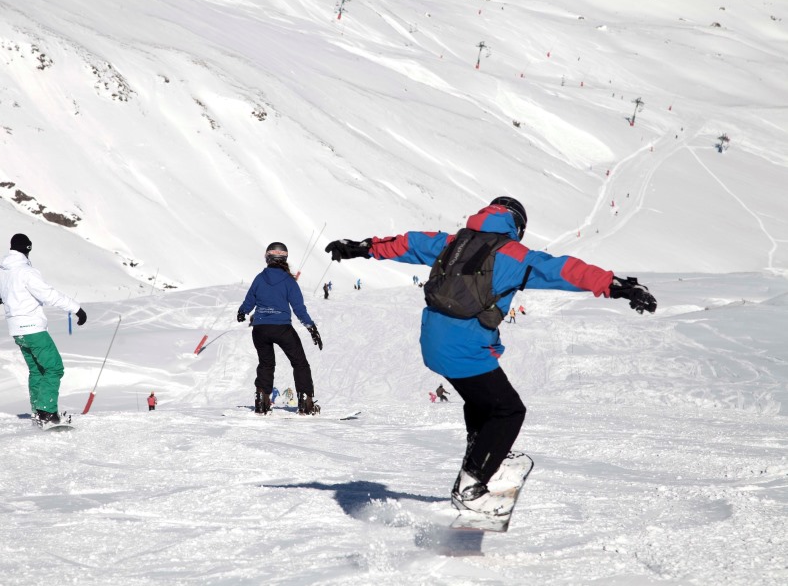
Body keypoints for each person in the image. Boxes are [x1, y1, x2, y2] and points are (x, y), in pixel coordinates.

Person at [325, 196, 656, 515]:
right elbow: (566, 270)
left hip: (433, 339)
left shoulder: (453, 243)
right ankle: (471, 485)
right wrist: (619, 287)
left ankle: (484, 455)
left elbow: (407, 243)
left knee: (481, 401)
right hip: (465, 345)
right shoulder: (513, 255)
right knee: (508, 411)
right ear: (518, 226)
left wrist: (359, 248)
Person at [0, 234, 87, 426]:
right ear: (28, 249)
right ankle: (47, 413)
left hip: (17, 330)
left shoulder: (2, 271)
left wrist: (2, 297)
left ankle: (37, 412)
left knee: (37, 370)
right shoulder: (26, 272)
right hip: (33, 328)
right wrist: (76, 309)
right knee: (54, 367)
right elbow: (48, 295)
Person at [238, 242, 324, 415]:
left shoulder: (260, 278)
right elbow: (299, 309)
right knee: (299, 363)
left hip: (260, 329)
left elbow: (250, 300)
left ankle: (262, 401)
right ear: (284, 258)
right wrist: (311, 327)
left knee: (266, 363)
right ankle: (305, 403)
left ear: (268, 257)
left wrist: (242, 311)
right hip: (282, 328)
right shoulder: (288, 281)